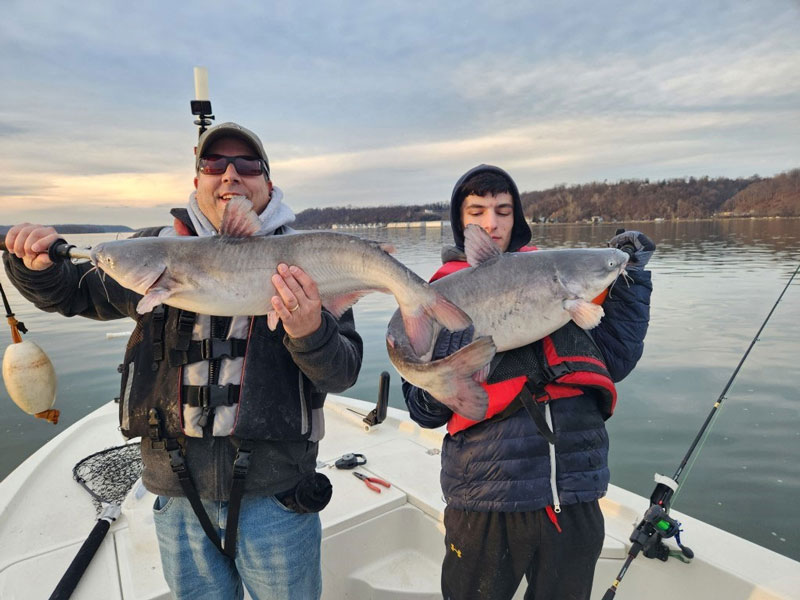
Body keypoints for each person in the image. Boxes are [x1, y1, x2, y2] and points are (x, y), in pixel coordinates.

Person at [3, 122, 364, 600]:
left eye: (247, 165)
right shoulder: (150, 251)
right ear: (197, 182)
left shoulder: (308, 258)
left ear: (269, 184)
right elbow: (74, 293)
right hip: (177, 498)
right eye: (215, 164)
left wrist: (311, 331)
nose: (230, 175)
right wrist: (32, 268)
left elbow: (343, 371)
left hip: (277, 497)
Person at [403, 164, 654, 600]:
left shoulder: (559, 279)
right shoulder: (436, 298)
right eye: (477, 211)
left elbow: (613, 359)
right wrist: (451, 362)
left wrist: (631, 284)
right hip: (485, 499)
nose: (491, 222)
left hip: (576, 493)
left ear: (517, 217)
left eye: (502, 210)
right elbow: (423, 410)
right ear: (460, 222)